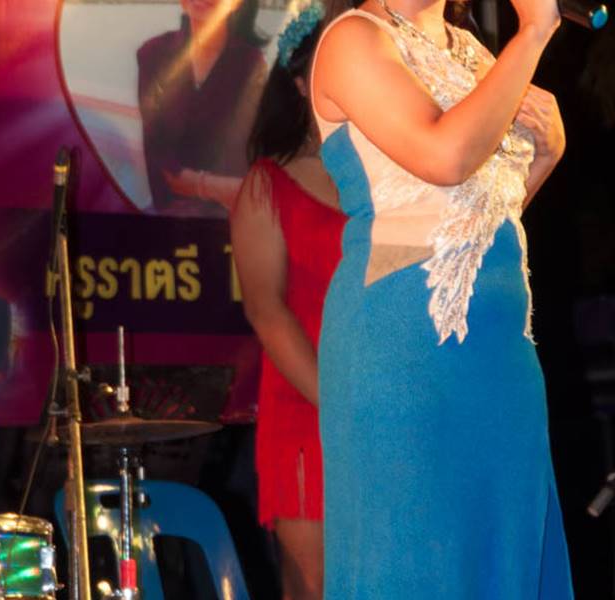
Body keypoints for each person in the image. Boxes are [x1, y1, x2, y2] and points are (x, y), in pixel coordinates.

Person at [310, 0, 571, 596]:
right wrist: (533, 32)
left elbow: (477, 212)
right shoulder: (354, 38)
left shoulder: (471, 52)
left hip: (500, 352)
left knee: (502, 559)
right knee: (416, 560)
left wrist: (547, 154)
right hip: (406, 342)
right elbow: (445, 156)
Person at [230, 5, 345, 598]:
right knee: (319, 586)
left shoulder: (393, 177)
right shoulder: (267, 184)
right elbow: (265, 310)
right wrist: (342, 403)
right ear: (299, 83)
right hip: (310, 409)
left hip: (388, 407)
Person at [137, 0, 267, 216]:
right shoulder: (153, 54)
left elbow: (242, 160)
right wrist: (212, 187)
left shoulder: (251, 64)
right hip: (169, 214)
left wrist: (198, 184)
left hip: (229, 217)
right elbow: (160, 161)